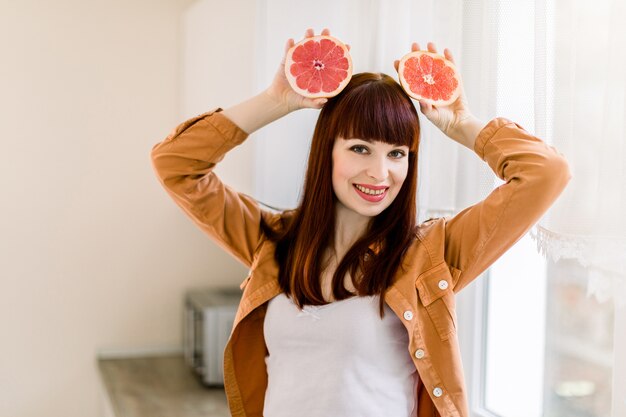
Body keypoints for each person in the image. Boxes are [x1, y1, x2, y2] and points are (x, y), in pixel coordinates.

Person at [151, 28, 571, 417]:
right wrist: (275, 101)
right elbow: (176, 164)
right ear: (326, 151)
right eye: (359, 148)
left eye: (397, 153)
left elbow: (545, 173)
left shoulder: (430, 254)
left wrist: (462, 124)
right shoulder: (272, 241)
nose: (379, 173)